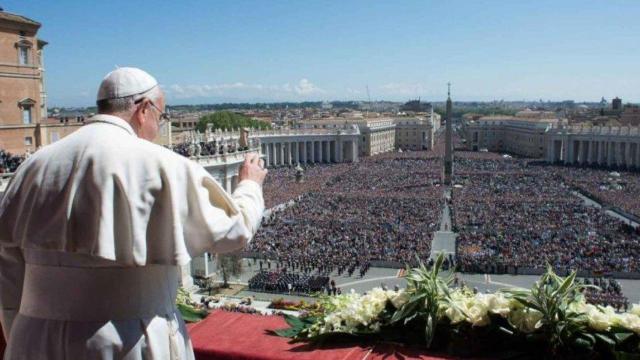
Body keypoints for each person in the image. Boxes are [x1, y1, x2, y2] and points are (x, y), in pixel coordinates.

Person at [0, 67, 267, 359]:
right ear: (143, 109)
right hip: (129, 339)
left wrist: (23, 333)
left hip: (35, 340)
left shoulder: (33, 166)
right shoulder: (163, 165)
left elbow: (8, 271)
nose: (158, 126)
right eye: (161, 117)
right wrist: (249, 186)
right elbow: (234, 232)